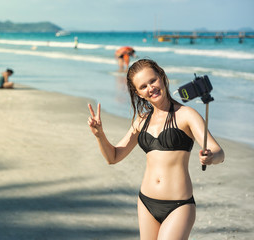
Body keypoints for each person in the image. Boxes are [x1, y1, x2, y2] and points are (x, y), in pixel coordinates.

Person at [87, 59, 224, 239]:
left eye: (153, 81)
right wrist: (99, 135)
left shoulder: (186, 115)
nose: (150, 88)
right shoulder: (141, 121)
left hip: (179, 205)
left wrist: (210, 157)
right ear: (138, 93)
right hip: (146, 203)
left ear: (162, 77)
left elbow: (219, 152)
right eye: (143, 86)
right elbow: (113, 157)